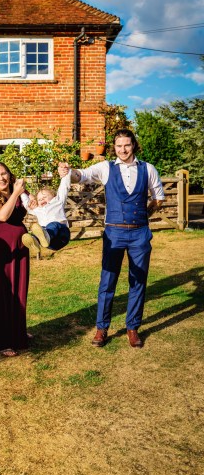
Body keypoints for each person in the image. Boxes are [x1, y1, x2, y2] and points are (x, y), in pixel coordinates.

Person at [59, 128, 164, 348]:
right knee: (108, 281)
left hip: (139, 233)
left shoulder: (148, 169)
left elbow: (158, 198)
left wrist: (144, 215)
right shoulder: (106, 168)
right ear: (113, 148)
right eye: (118, 146)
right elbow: (82, 175)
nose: (123, 149)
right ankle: (101, 328)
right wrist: (70, 171)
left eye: (126, 145)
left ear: (133, 145)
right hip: (114, 232)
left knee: (138, 282)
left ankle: (133, 328)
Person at [0, 162, 29, 357]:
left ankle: (16, 333)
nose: (1, 178)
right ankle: (0, 341)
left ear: (10, 175)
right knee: (1, 293)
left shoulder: (16, 192)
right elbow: (2, 216)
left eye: (4, 174)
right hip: (0, 251)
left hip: (19, 247)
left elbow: (30, 207)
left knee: (19, 290)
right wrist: (17, 194)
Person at [20, 173, 71, 255]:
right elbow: (26, 203)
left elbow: (64, 187)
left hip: (62, 235)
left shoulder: (58, 201)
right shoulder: (37, 209)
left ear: (53, 196)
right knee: (41, 229)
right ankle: (35, 241)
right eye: (39, 199)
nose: (41, 200)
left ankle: (45, 236)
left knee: (53, 225)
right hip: (50, 244)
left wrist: (66, 175)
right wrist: (21, 191)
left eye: (44, 197)